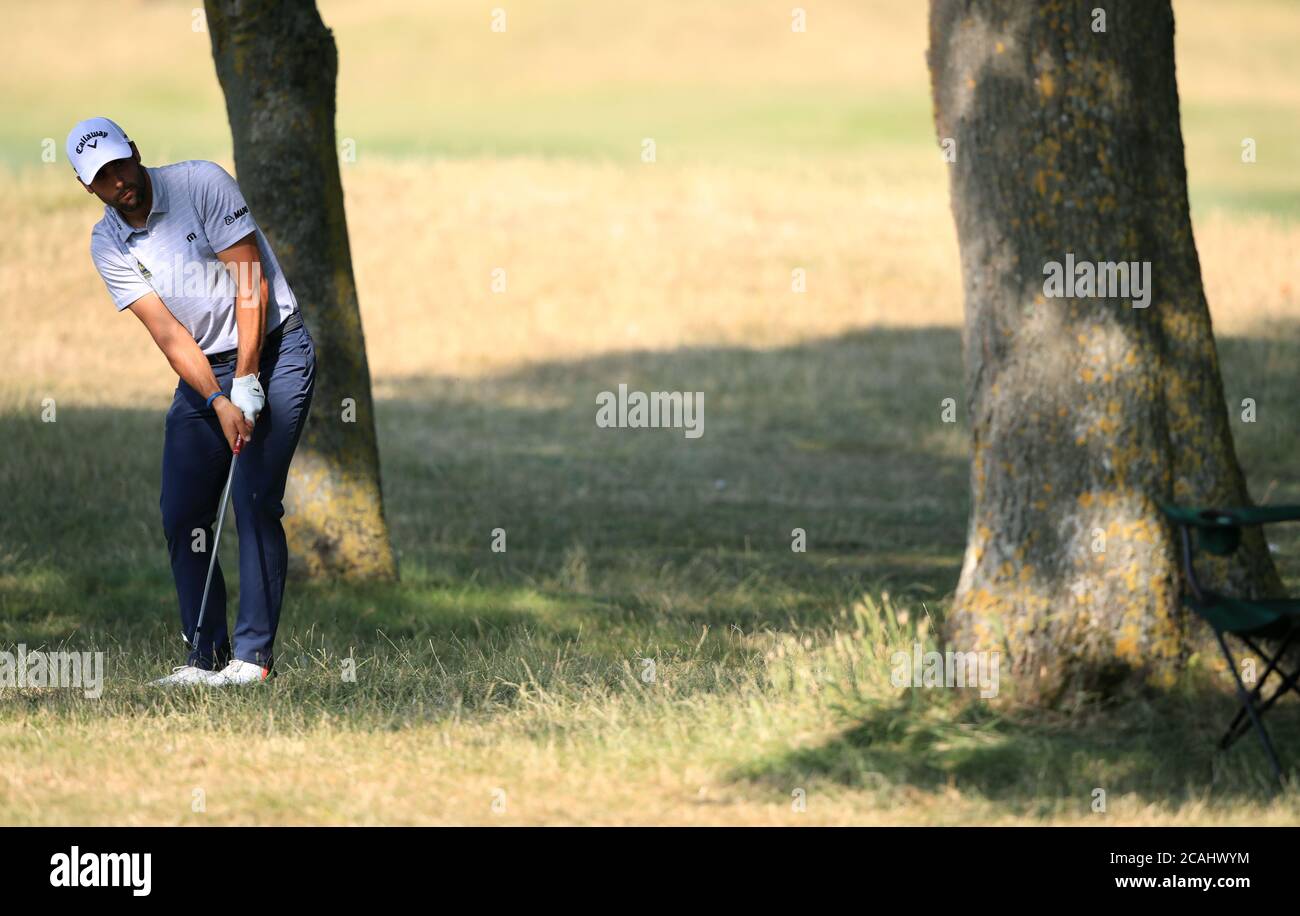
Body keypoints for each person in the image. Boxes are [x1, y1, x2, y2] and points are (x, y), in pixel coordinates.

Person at [67, 116, 316, 686]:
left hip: (276, 350)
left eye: (119, 163)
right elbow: (171, 336)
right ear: (88, 187)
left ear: (134, 148)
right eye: (101, 177)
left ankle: (251, 662)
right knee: (182, 512)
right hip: (206, 368)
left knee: (253, 497)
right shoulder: (107, 242)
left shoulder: (201, 183)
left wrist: (248, 379)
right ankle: (204, 659)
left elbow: (251, 283)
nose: (118, 181)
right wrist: (217, 398)